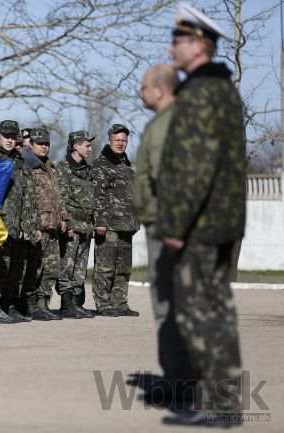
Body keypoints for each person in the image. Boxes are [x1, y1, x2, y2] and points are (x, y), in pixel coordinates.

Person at [158, 3, 244, 426]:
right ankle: (221, 404)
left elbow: (196, 167)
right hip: (218, 220)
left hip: (202, 224)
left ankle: (219, 406)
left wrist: (176, 225)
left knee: (201, 314)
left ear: (198, 44)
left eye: (177, 40)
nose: (171, 47)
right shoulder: (221, 89)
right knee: (216, 312)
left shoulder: (202, 92)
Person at [134, 64, 193, 397]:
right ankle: (182, 378)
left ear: (160, 89)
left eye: (143, 87)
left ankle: (179, 383)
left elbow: (177, 178)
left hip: (169, 227)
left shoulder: (171, 124)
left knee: (171, 306)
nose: (140, 92)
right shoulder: (166, 122)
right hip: (164, 225)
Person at [0, 120, 39, 322]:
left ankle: (8, 304)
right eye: (6, 136)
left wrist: (28, 224)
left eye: (13, 137)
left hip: (18, 224)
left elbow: (28, 197)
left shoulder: (19, 163)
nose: (10, 140)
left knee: (14, 269)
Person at [91, 123, 140, 317]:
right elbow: (97, 195)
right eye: (117, 140)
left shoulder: (127, 166)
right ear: (109, 140)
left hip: (127, 225)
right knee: (105, 267)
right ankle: (103, 303)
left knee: (123, 268)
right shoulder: (101, 165)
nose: (120, 144)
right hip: (109, 225)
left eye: (123, 140)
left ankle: (119, 302)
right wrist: (100, 221)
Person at [21, 128, 66, 321]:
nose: (44, 146)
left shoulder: (50, 167)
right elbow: (27, 198)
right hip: (38, 225)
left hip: (53, 226)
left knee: (51, 269)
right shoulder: (27, 166)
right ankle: (30, 304)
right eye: (40, 143)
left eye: (46, 143)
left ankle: (43, 302)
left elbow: (58, 195)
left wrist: (63, 217)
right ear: (30, 145)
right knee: (34, 268)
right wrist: (33, 224)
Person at [55, 130, 96, 319]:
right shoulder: (63, 168)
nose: (90, 148)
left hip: (86, 226)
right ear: (76, 146)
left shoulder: (87, 170)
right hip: (73, 223)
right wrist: (67, 223)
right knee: (67, 265)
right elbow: (62, 198)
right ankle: (66, 303)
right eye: (87, 145)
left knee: (80, 268)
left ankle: (76, 303)